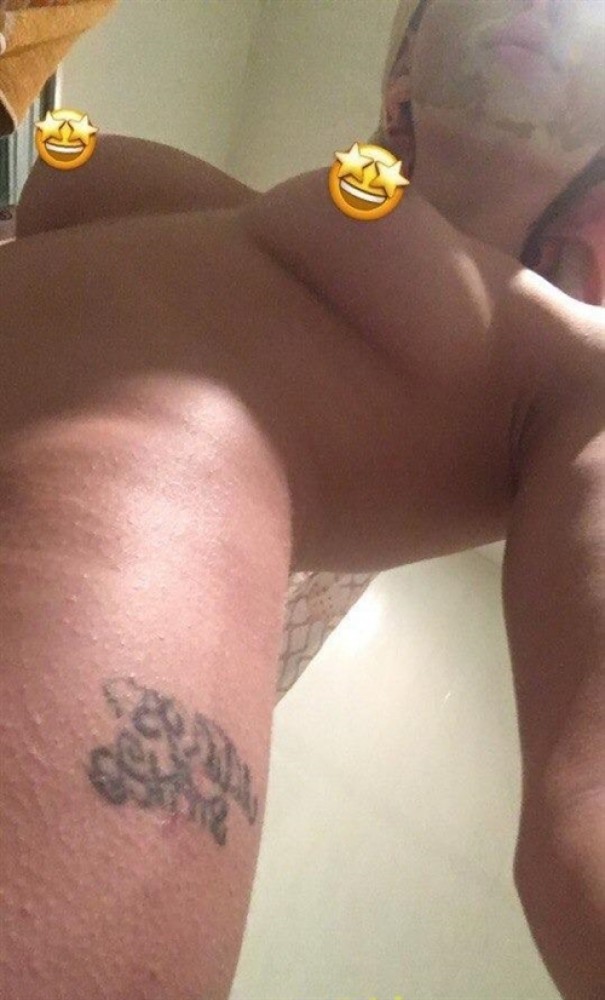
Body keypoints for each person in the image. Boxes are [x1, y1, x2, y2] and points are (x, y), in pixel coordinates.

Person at [2, 2, 604, 999]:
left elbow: (587, 809)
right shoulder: (242, 226)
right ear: (405, 67)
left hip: (108, 540)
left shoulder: (577, 376)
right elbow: (58, 186)